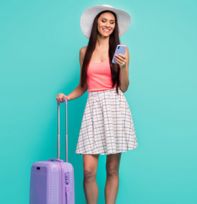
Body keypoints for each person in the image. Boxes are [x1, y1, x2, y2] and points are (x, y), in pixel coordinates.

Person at [56, 4, 138, 204]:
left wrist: (124, 67)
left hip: (115, 106)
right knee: (88, 171)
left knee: (112, 169)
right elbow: (83, 86)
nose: (108, 25)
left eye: (112, 22)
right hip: (93, 107)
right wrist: (66, 96)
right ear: (96, 23)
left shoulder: (122, 51)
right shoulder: (84, 52)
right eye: (104, 21)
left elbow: (124, 87)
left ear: (115, 26)